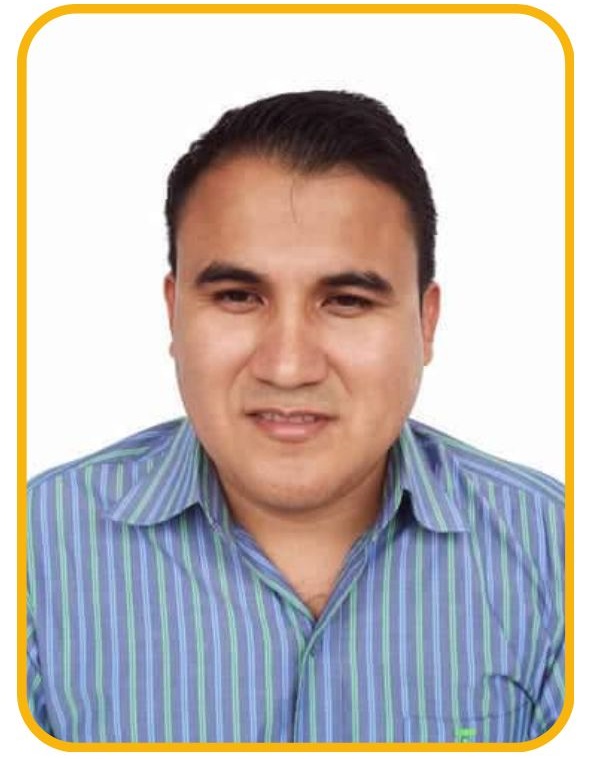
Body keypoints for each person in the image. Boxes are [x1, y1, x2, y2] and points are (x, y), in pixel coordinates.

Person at [26, 90, 564, 744]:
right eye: (237, 296)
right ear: (173, 313)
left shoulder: (557, 551)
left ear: (425, 322)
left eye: (346, 300)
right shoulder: (31, 555)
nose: (287, 367)